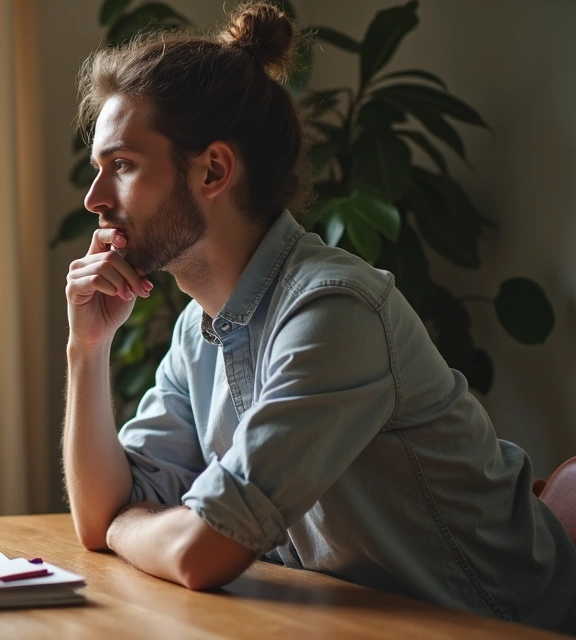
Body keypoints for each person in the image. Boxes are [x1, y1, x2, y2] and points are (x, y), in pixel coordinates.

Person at [61, 2, 576, 632]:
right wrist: (86, 349)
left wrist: (127, 523)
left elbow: (203, 551)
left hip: (499, 627)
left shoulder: (334, 311)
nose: (94, 199)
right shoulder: (199, 331)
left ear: (214, 170)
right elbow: (98, 518)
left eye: (122, 165)